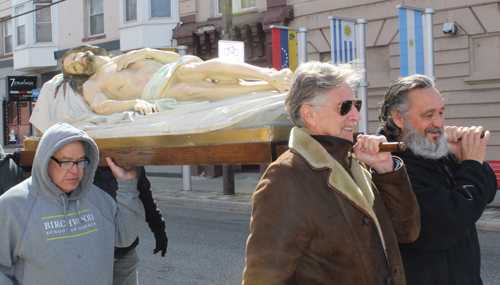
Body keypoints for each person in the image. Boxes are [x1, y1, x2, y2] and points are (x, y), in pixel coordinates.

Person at [242, 61, 420, 284]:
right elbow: (263, 278)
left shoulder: (356, 162)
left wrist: (385, 169)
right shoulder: (285, 177)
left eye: (357, 105)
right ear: (310, 114)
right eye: (345, 106)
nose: (355, 116)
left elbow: (407, 232)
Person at [377, 74, 497, 284]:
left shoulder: (434, 149)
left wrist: (465, 159)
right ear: (398, 118)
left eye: (441, 112)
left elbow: (485, 193)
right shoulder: (390, 167)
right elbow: (452, 219)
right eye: (429, 115)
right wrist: (471, 163)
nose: (440, 123)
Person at [0, 123, 145, 284]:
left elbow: (125, 237)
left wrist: (127, 184)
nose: (75, 171)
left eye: (80, 161)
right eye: (66, 162)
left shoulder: (97, 199)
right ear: (46, 160)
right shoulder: (13, 206)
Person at [57, 45, 293, 115]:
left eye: (73, 56)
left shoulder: (123, 55)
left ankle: (271, 75)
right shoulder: (91, 85)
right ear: (77, 74)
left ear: (82, 50)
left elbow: (173, 58)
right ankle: (268, 87)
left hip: (169, 71)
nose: (77, 61)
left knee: (188, 71)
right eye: (73, 66)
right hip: (153, 93)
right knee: (188, 91)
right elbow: (100, 106)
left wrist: (147, 52)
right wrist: (132, 104)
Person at [93, 166, 168, 285]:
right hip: (93, 254)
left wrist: (159, 229)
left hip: (124, 254)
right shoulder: (85, 158)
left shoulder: (129, 161)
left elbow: (144, 195)